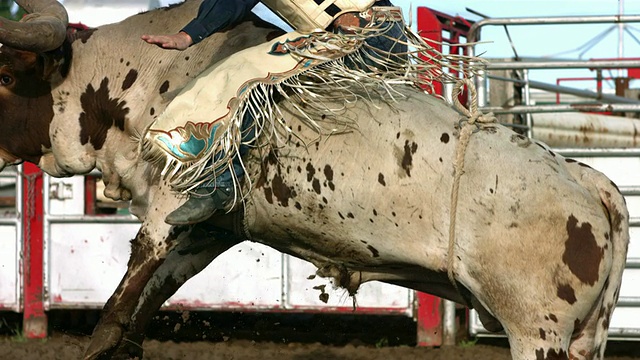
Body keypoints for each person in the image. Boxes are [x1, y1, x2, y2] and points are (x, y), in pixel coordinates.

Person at [141, 0, 479, 225]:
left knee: (249, 72)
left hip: (369, 31)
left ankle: (222, 185)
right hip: (349, 36)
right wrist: (189, 34)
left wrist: (352, 10)